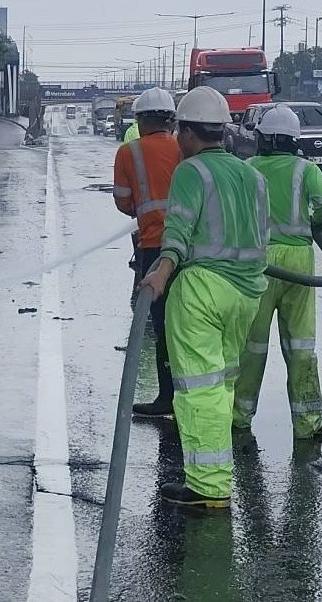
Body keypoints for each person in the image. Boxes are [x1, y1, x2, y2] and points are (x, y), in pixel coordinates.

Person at [141, 86, 269, 509]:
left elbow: (176, 232)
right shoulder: (254, 175)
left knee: (198, 388)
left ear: (188, 132)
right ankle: (213, 474)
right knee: (222, 383)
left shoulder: (191, 171)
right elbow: (261, 236)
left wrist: (160, 271)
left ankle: (209, 486)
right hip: (246, 292)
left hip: (202, 291)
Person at [233, 105, 322, 440]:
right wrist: (315, 225)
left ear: (267, 138)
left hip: (258, 262)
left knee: (252, 345)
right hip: (298, 261)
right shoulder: (305, 170)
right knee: (300, 343)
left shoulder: (247, 169)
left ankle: (239, 416)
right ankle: (307, 422)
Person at [113, 87, 182, 416]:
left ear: (140, 120)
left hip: (153, 246)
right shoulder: (185, 147)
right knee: (190, 319)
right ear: (171, 120)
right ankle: (196, 393)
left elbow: (123, 201)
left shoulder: (129, 153)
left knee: (162, 322)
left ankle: (167, 396)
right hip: (190, 246)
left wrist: (145, 210)